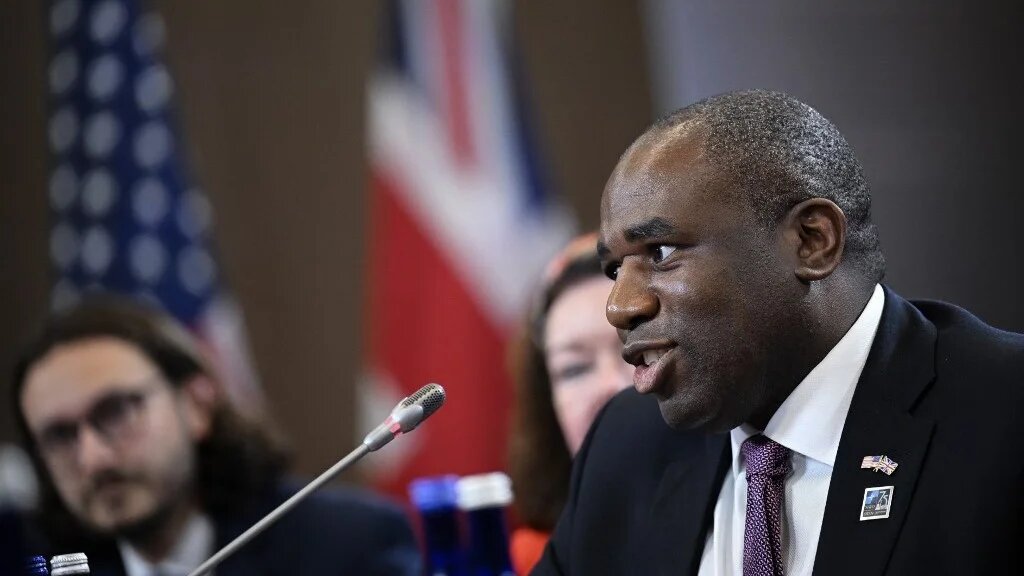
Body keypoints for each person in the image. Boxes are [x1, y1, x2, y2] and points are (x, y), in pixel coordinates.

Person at [531, 89, 1024, 575]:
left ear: (812, 241)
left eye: (660, 252)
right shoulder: (627, 447)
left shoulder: (1003, 413)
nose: (620, 306)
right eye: (615, 270)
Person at [11, 297, 422, 576]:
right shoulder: (30, 563)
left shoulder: (349, 545)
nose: (92, 458)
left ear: (196, 405)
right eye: (59, 436)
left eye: (116, 412)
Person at [507, 233, 633, 574]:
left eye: (632, 352)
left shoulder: (747, 514)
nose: (611, 386)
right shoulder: (528, 562)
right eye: (575, 369)